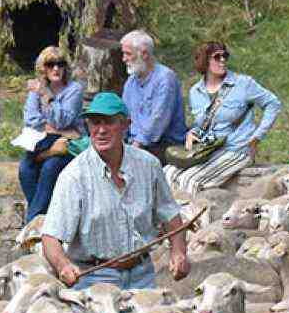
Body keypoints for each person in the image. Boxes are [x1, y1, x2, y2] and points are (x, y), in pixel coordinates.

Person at [42, 92, 189, 291]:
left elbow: (171, 216)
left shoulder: (149, 165)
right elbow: (51, 236)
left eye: (109, 122)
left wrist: (178, 252)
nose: (101, 130)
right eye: (95, 122)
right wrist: (63, 265)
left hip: (142, 274)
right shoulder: (74, 176)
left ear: (126, 125)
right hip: (94, 279)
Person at [165, 40, 283, 193]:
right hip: (208, 149)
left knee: (190, 181)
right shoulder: (196, 91)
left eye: (225, 56)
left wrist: (257, 137)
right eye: (217, 57)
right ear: (205, 61)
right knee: (167, 173)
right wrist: (192, 133)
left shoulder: (243, 84)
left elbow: (273, 104)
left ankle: (192, 216)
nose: (222, 60)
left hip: (236, 149)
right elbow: (203, 125)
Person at [18, 46, 86, 222]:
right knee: (25, 169)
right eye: (50, 64)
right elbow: (31, 119)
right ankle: (43, 219)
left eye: (60, 64)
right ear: (43, 68)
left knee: (50, 168)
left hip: (68, 145)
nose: (56, 69)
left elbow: (63, 120)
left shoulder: (74, 90)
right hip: (42, 140)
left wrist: (47, 96)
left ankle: (32, 220)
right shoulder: (37, 88)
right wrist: (54, 127)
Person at [119, 30, 186, 161]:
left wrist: (131, 152)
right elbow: (123, 117)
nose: (124, 59)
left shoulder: (165, 79)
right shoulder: (131, 82)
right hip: (136, 143)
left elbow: (156, 124)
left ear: (144, 54)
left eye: (128, 54)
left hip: (164, 146)